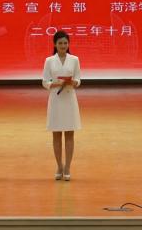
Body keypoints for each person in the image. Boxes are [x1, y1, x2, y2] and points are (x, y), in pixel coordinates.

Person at [42, 29, 81, 180]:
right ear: (55, 44)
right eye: (60, 43)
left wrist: (73, 82)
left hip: (69, 99)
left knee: (70, 134)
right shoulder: (49, 61)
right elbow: (45, 81)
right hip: (56, 99)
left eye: (65, 43)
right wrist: (56, 83)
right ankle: (59, 165)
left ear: (68, 44)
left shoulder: (75, 59)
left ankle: (68, 167)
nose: (63, 45)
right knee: (56, 134)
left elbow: (78, 79)